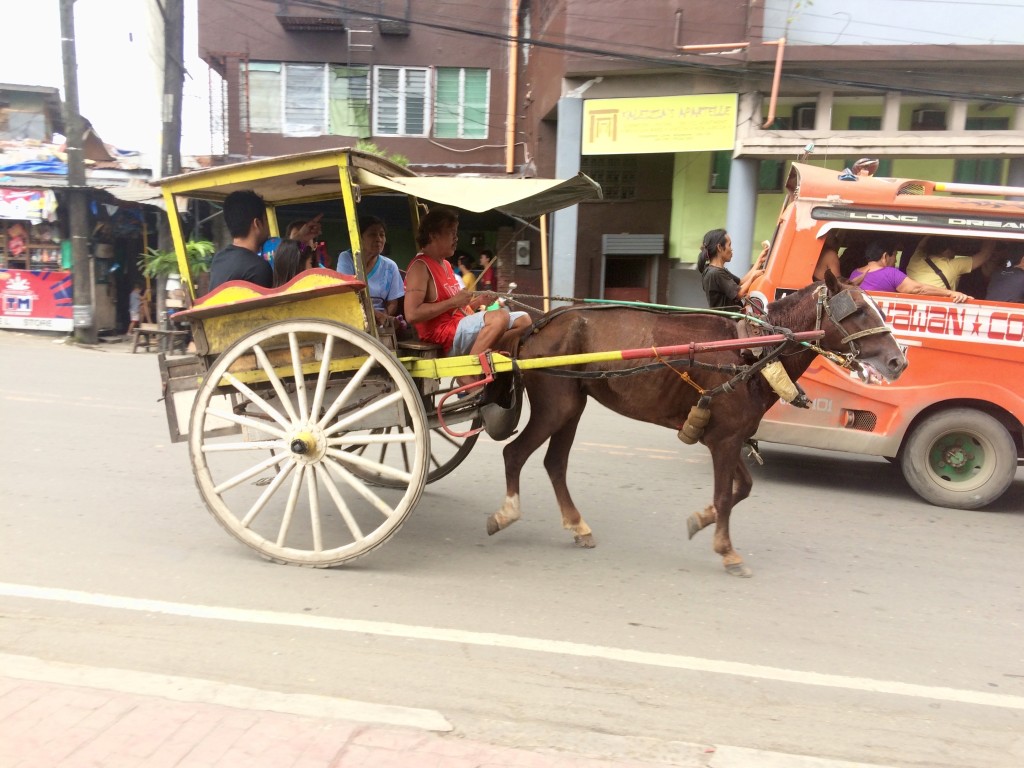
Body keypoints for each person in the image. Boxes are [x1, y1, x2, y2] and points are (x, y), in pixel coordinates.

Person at [403, 206, 530, 375]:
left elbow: (457, 307)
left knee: (524, 320)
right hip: (442, 334)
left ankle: (485, 354)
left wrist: (479, 301)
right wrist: (453, 302)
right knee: (501, 316)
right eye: (451, 232)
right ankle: (468, 374)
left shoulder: (446, 265)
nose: (456, 238)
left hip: (459, 325)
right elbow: (412, 314)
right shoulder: (420, 266)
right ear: (433, 235)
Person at [336, 216, 405, 326]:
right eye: (372, 234)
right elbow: (347, 296)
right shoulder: (346, 258)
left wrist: (383, 319)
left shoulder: (390, 266)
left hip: (381, 322)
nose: (378, 239)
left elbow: (392, 303)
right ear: (359, 237)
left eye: (382, 235)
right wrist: (375, 316)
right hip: (353, 318)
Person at [850, 240, 969, 302]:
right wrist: (950, 293)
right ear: (885, 256)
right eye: (895, 255)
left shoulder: (854, 273)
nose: (896, 260)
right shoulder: (890, 273)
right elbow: (918, 289)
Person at [208, 190, 273, 292]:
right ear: (257, 224)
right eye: (266, 220)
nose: (269, 228)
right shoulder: (258, 267)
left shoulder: (219, 259)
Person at [697, 228, 767, 310]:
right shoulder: (715, 273)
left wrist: (759, 261)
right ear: (719, 247)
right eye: (729, 245)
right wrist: (753, 277)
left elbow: (741, 282)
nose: (731, 249)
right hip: (727, 320)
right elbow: (739, 293)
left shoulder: (716, 270)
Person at [905, 235, 994, 292]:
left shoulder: (916, 258)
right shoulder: (952, 266)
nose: (954, 254)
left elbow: (922, 244)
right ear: (946, 250)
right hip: (939, 306)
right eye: (953, 250)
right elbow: (984, 255)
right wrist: (991, 232)